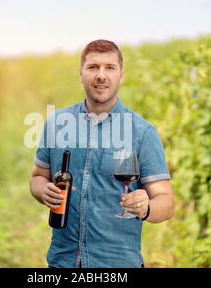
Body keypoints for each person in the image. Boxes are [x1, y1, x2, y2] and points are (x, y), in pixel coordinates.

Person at [29, 39, 174, 268]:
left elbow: (166, 202)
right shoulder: (57, 124)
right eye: (93, 67)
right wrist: (42, 191)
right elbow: (38, 176)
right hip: (62, 262)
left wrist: (146, 208)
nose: (101, 75)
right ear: (81, 73)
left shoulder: (142, 132)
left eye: (110, 67)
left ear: (121, 75)